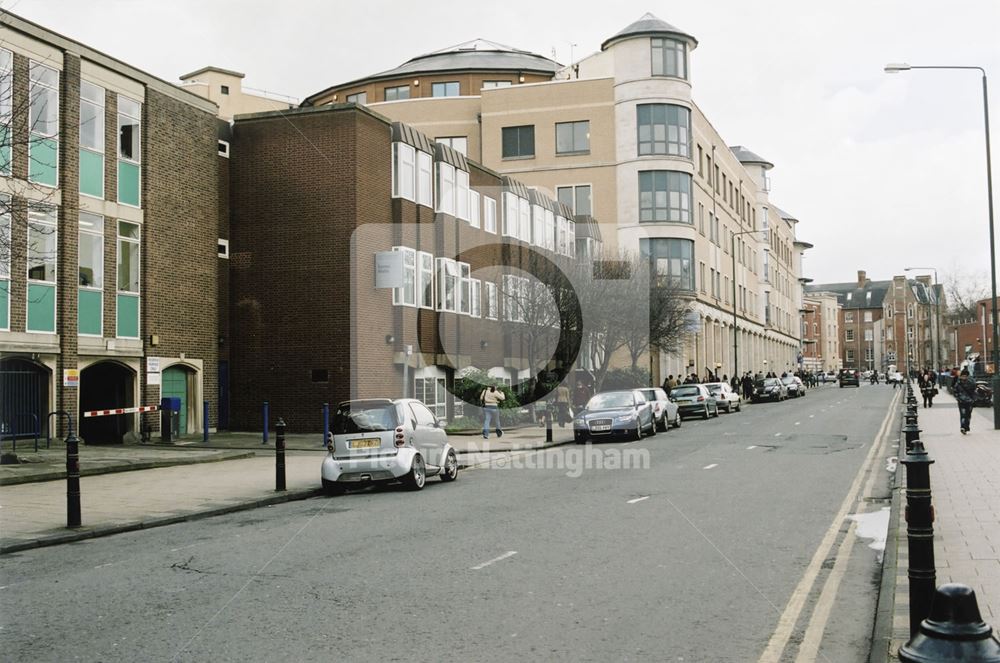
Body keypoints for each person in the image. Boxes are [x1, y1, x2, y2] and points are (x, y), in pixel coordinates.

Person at [953, 369, 977, 434]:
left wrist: (973, 399)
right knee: (963, 415)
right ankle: (963, 427)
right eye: (962, 376)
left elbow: (974, 391)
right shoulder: (958, 383)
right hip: (962, 401)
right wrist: (958, 398)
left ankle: (966, 427)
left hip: (969, 401)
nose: (963, 377)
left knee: (968, 415)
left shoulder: (971, 383)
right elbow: (955, 392)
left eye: (965, 376)